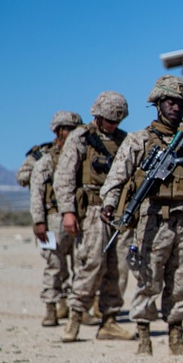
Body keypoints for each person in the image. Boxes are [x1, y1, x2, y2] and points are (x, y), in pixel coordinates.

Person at [100, 75, 183, 356]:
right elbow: (117, 177)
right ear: (158, 104)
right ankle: (144, 337)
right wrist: (109, 203)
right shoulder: (139, 140)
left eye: (181, 103)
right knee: (147, 278)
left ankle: (176, 339)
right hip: (152, 218)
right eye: (170, 102)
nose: (176, 108)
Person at [55, 91, 135, 342]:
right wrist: (68, 212)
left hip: (119, 212)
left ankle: (109, 321)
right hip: (92, 211)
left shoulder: (124, 140)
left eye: (117, 121)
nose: (114, 125)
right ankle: (75, 319)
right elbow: (65, 177)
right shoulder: (81, 138)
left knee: (119, 268)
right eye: (110, 120)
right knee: (91, 265)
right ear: (98, 116)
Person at [29, 111, 83, 327]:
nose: (73, 134)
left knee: (80, 265)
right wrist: (38, 222)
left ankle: (73, 307)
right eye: (69, 129)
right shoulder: (46, 161)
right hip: (52, 221)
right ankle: (50, 308)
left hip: (77, 219)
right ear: (58, 131)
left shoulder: (80, 157)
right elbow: (36, 193)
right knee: (54, 265)